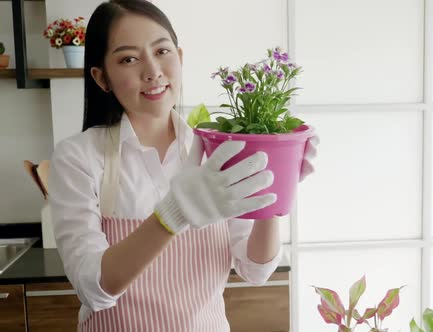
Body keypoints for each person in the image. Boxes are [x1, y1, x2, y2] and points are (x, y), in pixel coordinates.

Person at [47, 1, 318, 331]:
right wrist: (171, 215)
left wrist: (275, 193)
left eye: (162, 51)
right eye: (128, 59)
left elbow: (255, 269)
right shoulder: (78, 157)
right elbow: (92, 287)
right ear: (102, 78)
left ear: (180, 57)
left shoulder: (217, 151)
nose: (152, 71)